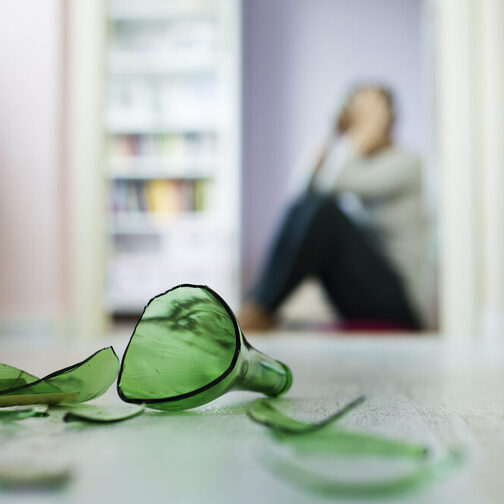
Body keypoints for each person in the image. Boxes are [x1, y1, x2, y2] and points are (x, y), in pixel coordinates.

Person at [238, 84, 430, 331]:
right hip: (360, 292)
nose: (361, 117)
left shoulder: (407, 162)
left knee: (326, 213)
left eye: (369, 110)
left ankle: (261, 309)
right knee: (311, 207)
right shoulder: (351, 162)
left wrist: (356, 139)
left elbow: (331, 186)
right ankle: (257, 305)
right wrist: (330, 136)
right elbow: (302, 193)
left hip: (401, 302)